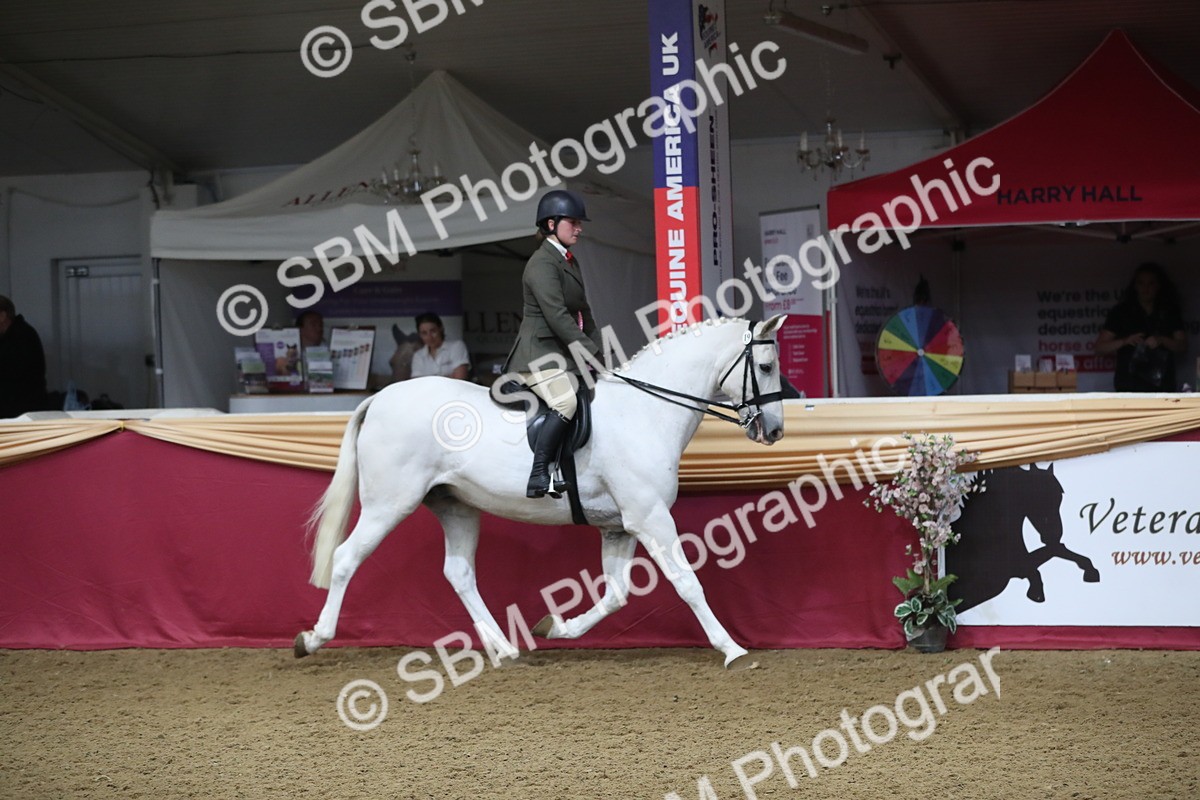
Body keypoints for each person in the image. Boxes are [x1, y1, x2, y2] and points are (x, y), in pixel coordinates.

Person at [502, 189, 604, 498]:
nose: (579, 228)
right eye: (572, 222)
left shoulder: (568, 261)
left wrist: (600, 352)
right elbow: (559, 317)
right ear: (550, 224)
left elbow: (584, 311)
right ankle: (539, 471)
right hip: (538, 355)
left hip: (561, 355)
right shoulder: (541, 264)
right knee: (566, 402)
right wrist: (591, 352)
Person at [1094, 262, 1187, 392]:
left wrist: (1162, 340)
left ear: (1158, 286)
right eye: (1141, 283)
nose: (1146, 288)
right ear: (1135, 286)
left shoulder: (1169, 311)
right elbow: (1099, 348)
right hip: (1129, 385)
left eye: (1151, 283)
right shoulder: (1121, 312)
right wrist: (1125, 341)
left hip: (1162, 386)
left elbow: (1182, 345)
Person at [0, 294, 48, 418]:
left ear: (3, 316)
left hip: (21, 410)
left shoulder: (21, 337)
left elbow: (11, 375)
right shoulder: (15, 334)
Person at [410, 312, 470, 380]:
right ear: (420, 335)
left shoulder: (456, 346)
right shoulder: (418, 356)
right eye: (424, 333)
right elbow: (417, 383)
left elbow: (460, 379)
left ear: (441, 329)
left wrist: (428, 380)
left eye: (433, 331)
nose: (429, 337)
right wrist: (448, 377)